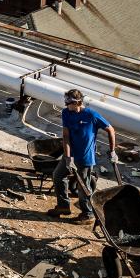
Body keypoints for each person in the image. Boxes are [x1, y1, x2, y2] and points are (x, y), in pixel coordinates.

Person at [47, 88, 118, 224]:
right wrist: (68, 157)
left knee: (83, 186)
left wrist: (112, 151)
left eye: (69, 102)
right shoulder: (66, 113)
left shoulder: (91, 115)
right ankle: (63, 206)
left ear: (78, 103)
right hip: (71, 155)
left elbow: (111, 130)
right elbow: (66, 136)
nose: (66, 105)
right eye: (66, 102)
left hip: (85, 157)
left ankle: (88, 214)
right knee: (58, 175)